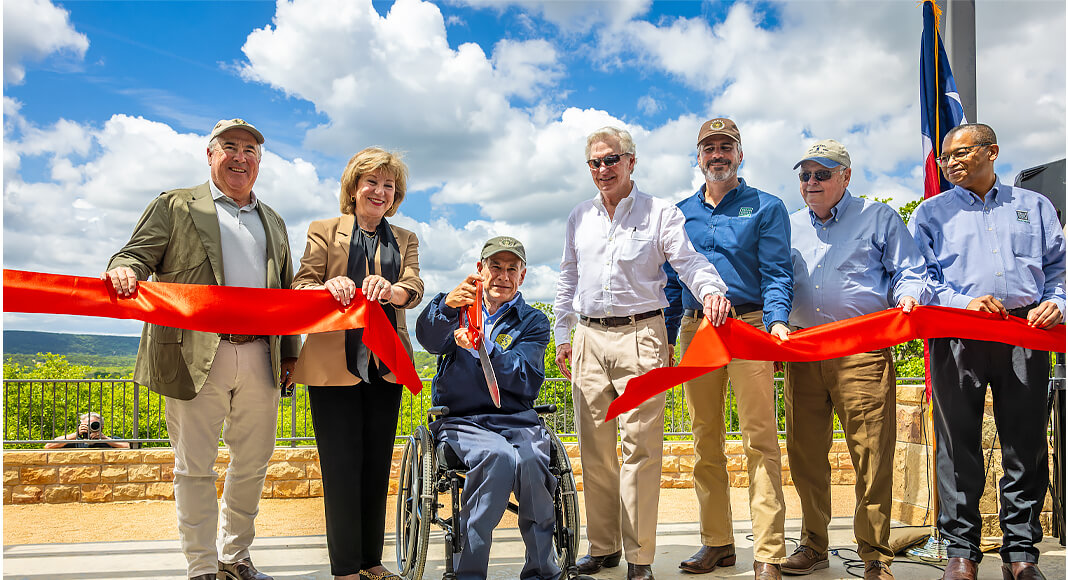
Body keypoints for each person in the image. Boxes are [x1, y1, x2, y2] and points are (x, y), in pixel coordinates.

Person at [104, 118, 300, 580]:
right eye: (230, 146)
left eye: (250, 150)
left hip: (261, 355)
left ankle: (235, 557)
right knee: (194, 467)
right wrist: (123, 269)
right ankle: (201, 567)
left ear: (259, 162)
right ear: (209, 154)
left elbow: (286, 290)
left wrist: (290, 353)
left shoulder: (273, 220)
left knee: (253, 464)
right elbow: (134, 255)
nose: (240, 157)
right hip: (194, 356)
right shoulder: (173, 205)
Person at [554, 126, 731, 580]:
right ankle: (603, 548)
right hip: (588, 338)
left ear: (631, 162)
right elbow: (568, 277)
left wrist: (711, 291)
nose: (603, 169)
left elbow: (688, 261)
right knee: (595, 450)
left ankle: (639, 557)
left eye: (611, 159)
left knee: (641, 451)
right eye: (595, 162)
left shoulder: (660, 213)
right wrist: (562, 334)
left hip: (641, 336)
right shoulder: (579, 216)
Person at [909, 123, 1065, 580]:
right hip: (957, 334)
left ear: (991, 151)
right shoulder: (930, 213)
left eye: (960, 153)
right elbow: (919, 277)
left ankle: (1021, 553)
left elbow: (1059, 269)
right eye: (945, 157)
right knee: (957, 444)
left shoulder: (1035, 206)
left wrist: (1058, 302)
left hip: (1025, 332)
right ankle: (961, 551)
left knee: (1026, 443)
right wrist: (964, 303)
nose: (950, 162)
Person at [781, 140, 930, 580]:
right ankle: (813, 545)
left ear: (846, 176)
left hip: (862, 351)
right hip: (804, 351)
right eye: (805, 175)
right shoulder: (789, 225)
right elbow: (776, 280)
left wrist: (908, 296)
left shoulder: (878, 217)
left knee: (871, 455)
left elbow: (910, 270)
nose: (812, 182)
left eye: (822, 174)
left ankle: (875, 554)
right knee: (805, 456)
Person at [663, 118, 792, 580]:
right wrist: (668, 337)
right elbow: (671, 283)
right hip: (696, 329)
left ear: (740, 153)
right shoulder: (679, 213)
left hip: (748, 326)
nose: (717, 154)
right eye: (709, 147)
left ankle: (769, 552)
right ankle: (717, 543)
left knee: (760, 439)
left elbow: (777, 272)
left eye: (725, 146)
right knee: (704, 440)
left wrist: (777, 323)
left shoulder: (767, 207)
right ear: (698, 157)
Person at [291, 147, 423, 580]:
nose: (380, 191)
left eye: (389, 185)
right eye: (372, 182)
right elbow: (302, 285)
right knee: (341, 469)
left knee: (377, 467)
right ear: (353, 187)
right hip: (333, 369)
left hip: (387, 366)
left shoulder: (405, 238)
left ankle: (371, 561)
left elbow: (414, 285)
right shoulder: (323, 231)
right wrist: (328, 286)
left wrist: (393, 290)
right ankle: (345, 568)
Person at [416, 236, 559, 580]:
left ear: (522, 275)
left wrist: (486, 347)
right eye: (496, 267)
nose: (503, 276)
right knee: (497, 456)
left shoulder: (533, 321)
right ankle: (469, 572)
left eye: (512, 269)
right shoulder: (458, 308)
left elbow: (526, 377)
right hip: (462, 420)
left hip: (517, 419)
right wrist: (445, 307)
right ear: (480, 269)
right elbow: (429, 340)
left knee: (531, 462)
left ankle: (542, 570)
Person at [45, 412, 131, 449]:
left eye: (94, 425)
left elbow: (128, 446)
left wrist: (105, 439)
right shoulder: (76, 442)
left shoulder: (110, 441)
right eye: (86, 425)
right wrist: (76, 434)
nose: (90, 428)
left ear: (101, 427)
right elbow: (49, 445)